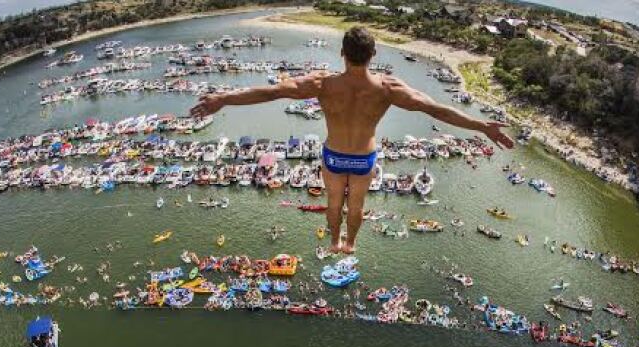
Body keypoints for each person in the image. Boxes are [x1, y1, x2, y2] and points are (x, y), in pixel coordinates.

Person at [190, 27, 513, 253]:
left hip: (333, 156)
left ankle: (333, 241)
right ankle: (351, 244)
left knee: (334, 203)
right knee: (356, 205)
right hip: (364, 159)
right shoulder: (389, 88)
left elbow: (271, 92)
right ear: (373, 53)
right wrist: (481, 125)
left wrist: (225, 98)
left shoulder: (323, 84)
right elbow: (437, 110)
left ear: (342, 53)